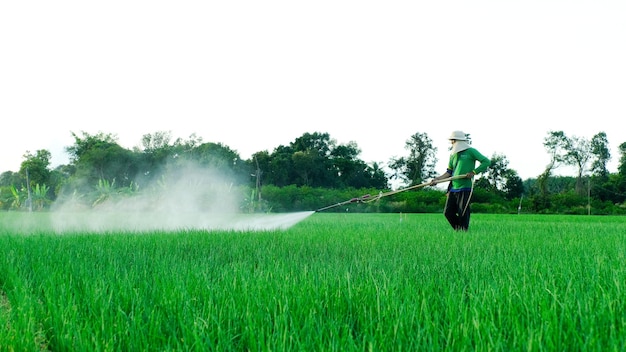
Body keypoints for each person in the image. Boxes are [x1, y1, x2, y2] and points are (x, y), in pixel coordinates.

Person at [430, 131, 490, 231]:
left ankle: (463, 232)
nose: (452, 142)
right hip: (453, 188)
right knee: (448, 213)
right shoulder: (453, 155)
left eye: (453, 140)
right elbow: (449, 172)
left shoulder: (471, 151)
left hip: (465, 187)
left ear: (459, 141)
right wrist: (437, 180)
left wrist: (474, 172)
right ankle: (460, 231)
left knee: (463, 212)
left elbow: (486, 162)